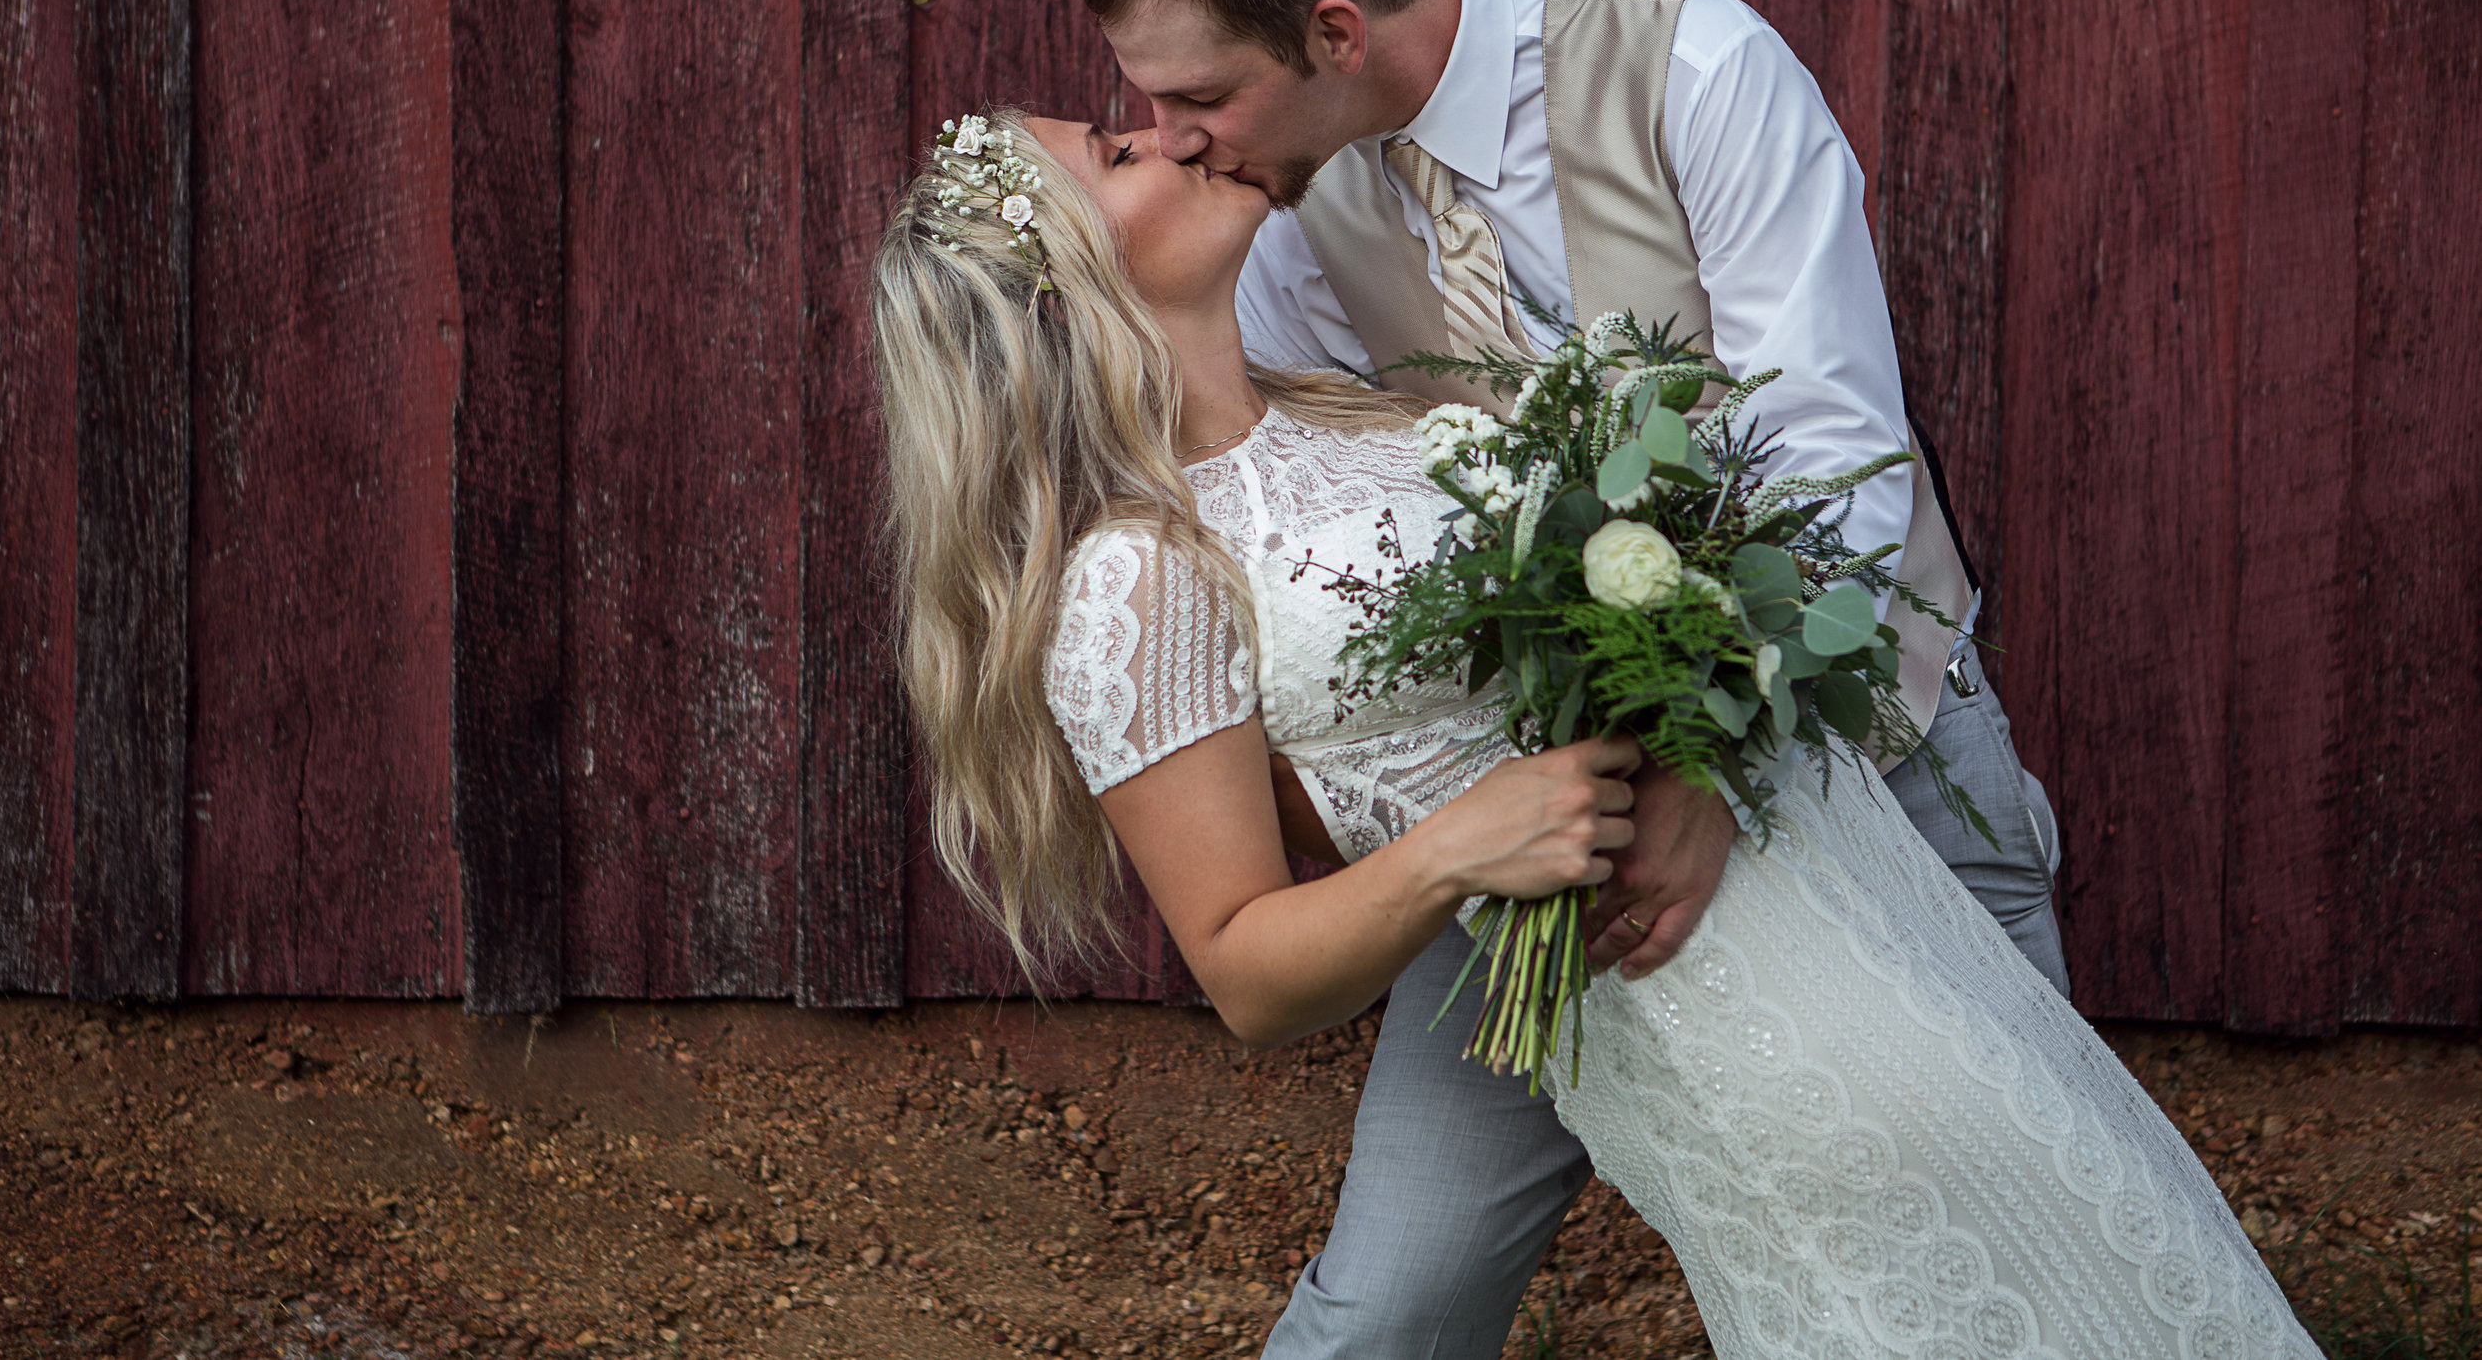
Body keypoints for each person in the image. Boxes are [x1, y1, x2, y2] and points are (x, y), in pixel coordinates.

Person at [870, 106, 2314, 1359]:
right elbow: (1245, 970)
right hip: (1701, 1006)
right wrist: (1450, 856)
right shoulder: (1137, 574)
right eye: (1117, 152)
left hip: (1848, 885)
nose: (1177, 132)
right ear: (1060, 284)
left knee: (2102, 1239)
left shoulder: (1356, 414)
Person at [1073, 0, 2070, 1354]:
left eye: (1200, 95)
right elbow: (1346, 522)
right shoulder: (1271, 219)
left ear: (1334, 29)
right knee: (1395, 1295)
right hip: (1537, 826)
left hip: (1875, 750)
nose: (1182, 138)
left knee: (2019, 1212)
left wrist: (1701, 762)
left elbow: (1833, 463)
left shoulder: (1694, 70)